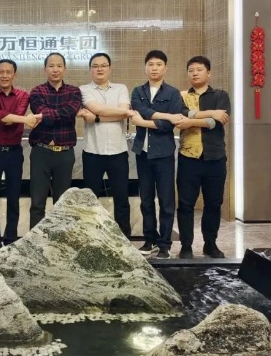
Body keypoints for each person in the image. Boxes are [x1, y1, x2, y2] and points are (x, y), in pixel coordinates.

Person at [174, 56, 231, 259]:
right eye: (191, 70)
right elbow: (180, 115)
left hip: (215, 157)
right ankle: (186, 246)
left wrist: (191, 120)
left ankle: (210, 244)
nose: (195, 73)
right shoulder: (181, 96)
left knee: (213, 204)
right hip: (188, 157)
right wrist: (210, 113)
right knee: (185, 204)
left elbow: (217, 122)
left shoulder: (221, 95)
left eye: (199, 69)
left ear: (209, 73)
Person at [0, 59, 40, 251]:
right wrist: (22, 120)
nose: (5, 75)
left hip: (14, 151)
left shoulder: (23, 95)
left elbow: (5, 118)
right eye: (1, 72)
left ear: (15, 75)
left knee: (14, 197)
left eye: (8, 72)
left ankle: (11, 239)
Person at [130, 50, 183, 259]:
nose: (154, 68)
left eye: (159, 64)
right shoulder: (137, 91)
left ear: (165, 68)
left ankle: (165, 244)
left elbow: (169, 126)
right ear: (145, 67)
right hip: (143, 153)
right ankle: (149, 239)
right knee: (146, 200)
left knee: (166, 200)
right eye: (150, 64)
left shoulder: (173, 93)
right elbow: (140, 110)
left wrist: (144, 122)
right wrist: (167, 116)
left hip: (164, 153)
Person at [78, 52, 134, 239]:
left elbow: (123, 112)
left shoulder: (121, 88)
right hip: (93, 152)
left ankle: (124, 237)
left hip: (118, 152)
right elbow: (99, 108)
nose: (99, 69)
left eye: (103, 65)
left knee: (122, 198)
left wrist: (97, 118)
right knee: (90, 200)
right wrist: (120, 113)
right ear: (90, 70)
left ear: (110, 68)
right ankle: (90, 237)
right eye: (95, 66)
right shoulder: (84, 89)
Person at [28, 52, 82, 229]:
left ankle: (59, 241)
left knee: (62, 204)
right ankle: (34, 241)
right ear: (45, 69)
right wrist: (62, 113)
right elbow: (43, 112)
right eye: (51, 66)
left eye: (59, 66)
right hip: (41, 152)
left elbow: (71, 110)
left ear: (64, 69)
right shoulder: (37, 91)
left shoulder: (74, 91)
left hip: (65, 154)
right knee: (37, 203)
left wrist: (49, 114)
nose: (55, 69)